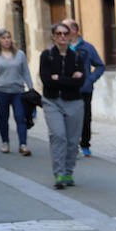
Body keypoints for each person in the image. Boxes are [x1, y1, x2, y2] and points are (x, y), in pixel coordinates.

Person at [39, 22, 88, 188]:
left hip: (74, 102)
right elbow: (46, 80)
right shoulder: (46, 56)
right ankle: (59, 173)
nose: (62, 36)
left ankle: (68, 172)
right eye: (58, 33)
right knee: (58, 136)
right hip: (52, 101)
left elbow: (80, 82)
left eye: (65, 34)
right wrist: (69, 79)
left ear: (70, 36)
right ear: (53, 36)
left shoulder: (77, 57)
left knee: (73, 140)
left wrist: (58, 79)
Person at [0, 28, 35, 156]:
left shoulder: (20, 54)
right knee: (3, 118)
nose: (7, 40)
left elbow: (25, 72)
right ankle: (5, 142)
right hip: (0, 90)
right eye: (3, 38)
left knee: (20, 117)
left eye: (8, 37)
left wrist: (31, 88)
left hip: (18, 91)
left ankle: (23, 145)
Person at [62, 19, 104, 157]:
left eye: (65, 29)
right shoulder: (60, 47)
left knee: (85, 118)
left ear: (74, 30)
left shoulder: (87, 47)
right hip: (66, 88)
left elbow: (100, 65)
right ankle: (70, 145)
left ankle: (85, 145)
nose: (62, 32)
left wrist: (90, 79)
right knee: (67, 117)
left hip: (84, 89)